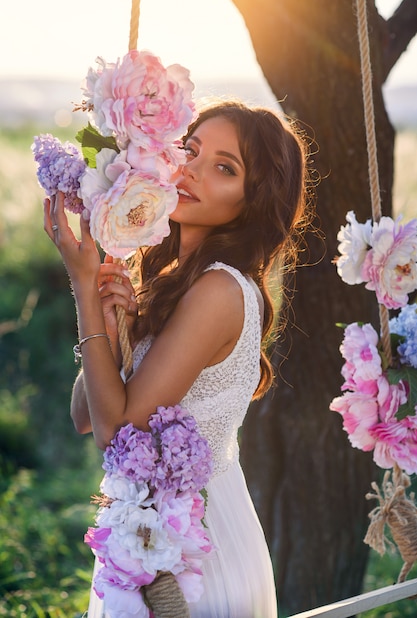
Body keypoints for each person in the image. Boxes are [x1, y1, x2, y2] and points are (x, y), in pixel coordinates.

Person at [44, 98, 312, 618]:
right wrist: (106, 319)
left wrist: (81, 285)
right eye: (190, 150)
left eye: (224, 167)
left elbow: (114, 431)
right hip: (149, 538)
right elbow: (84, 416)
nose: (190, 169)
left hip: (196, 557)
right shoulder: (168, 282)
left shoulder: (219, 290)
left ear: (252, 200)